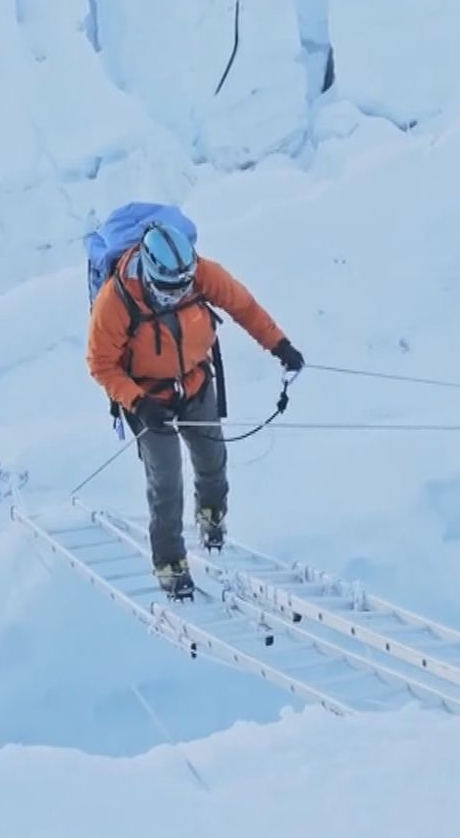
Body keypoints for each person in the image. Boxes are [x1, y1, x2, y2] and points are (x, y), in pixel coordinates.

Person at [85, 220, 305, 599]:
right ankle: (169, 561)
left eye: (184, 286)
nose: (180, 294)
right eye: (171, 290)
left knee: (211, 456)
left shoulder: (202, 274)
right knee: (166, 480)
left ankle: (212, 514)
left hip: (195, 381)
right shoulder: (115, 301)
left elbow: (243, 306)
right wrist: (138, 403)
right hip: (147, 397)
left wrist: (279, 345)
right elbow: (101, 364)